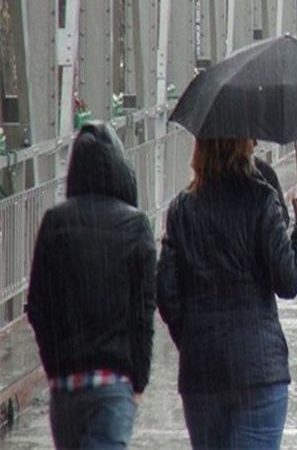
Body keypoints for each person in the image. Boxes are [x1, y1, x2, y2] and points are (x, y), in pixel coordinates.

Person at [156, 138, 297, 448]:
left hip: (202, 373)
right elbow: (288, 279)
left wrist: (193, 339)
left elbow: (166, 293)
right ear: (242, 146)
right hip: (258, 370)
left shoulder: (181, 208)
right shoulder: (261, 199)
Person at [27, 122, 155, 449]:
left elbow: (38, 306)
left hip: (66, 387)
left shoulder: (54, 223)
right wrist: (138, 379)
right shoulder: (136, 225)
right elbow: (142, 314)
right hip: (113, 384)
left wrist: (55, 365)